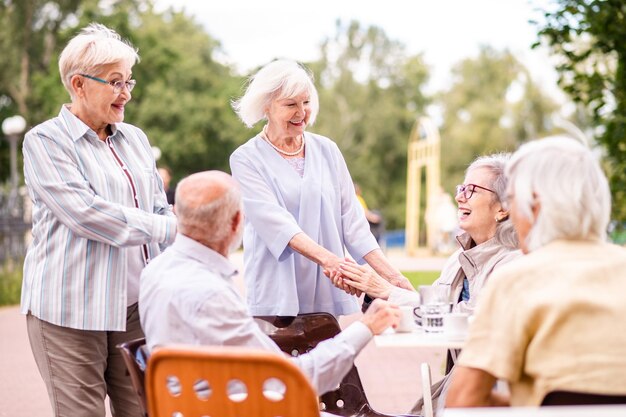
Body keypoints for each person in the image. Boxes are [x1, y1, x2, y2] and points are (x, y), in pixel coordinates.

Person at [21, 23, 175, 417]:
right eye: (114, 82)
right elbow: (86, 214)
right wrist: (170, 227)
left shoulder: (135, 139)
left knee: (144, 410)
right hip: (69, 311)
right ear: (78, 84)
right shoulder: (45, 141)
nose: (126, 93)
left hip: (135, 310)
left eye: (129, 81)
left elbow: (159, 205)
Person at [139, 170, 401, 400]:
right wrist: (365, 328)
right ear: (235, 223)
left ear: (177, 214)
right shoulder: (212, 294)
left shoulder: (154, 272)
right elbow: (295, 379)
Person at [446, 136, 626, 408]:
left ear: (536, 206)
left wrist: (527, 406)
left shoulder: (515, 279)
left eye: (513, 200)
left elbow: (463, 401)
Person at [339, 153, 521, 415]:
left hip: (490, 395)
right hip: (461, 387)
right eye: (461, 188)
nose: (460, 197)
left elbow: (470, 320)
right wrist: (374, 293)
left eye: (472, 190)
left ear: (503, 207)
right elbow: (428, 309)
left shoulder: (513, 263)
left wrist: (386, 290)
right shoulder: (459, 259)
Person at [229, 59, 411, 317]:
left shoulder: (327, 150)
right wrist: (335, 263)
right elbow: (279, 226)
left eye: (306, 102)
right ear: (266, 107)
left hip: (325, 284)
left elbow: (353, 221)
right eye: (291, 104)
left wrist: (393, 277)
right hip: (278, 286)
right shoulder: (246, 159)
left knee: (330, 352)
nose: (301, 112)